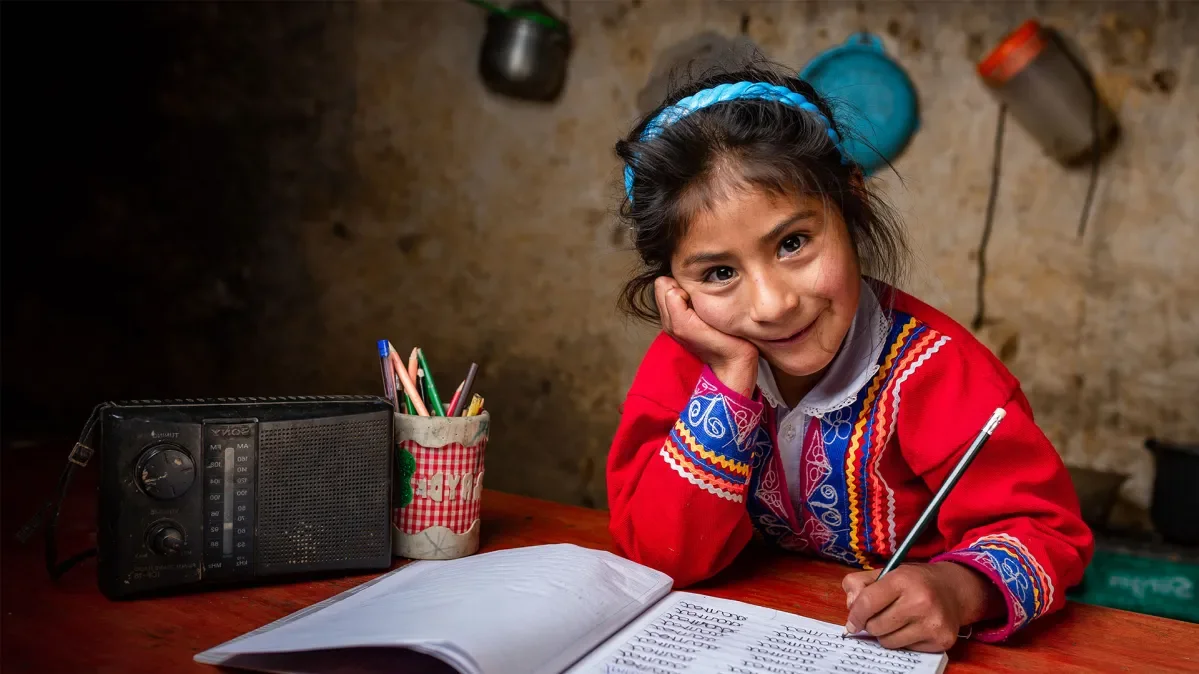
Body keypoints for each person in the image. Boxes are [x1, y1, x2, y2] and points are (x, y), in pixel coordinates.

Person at [606, 61, 1093, 653]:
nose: (773, 304)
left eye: (793, 243)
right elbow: (660, 557)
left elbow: (1048, 534)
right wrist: (728, 381)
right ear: (673, 288)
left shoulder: (939, 371)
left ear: (851, 202)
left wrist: (956, 588)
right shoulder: (688, 363)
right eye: (719, 273)